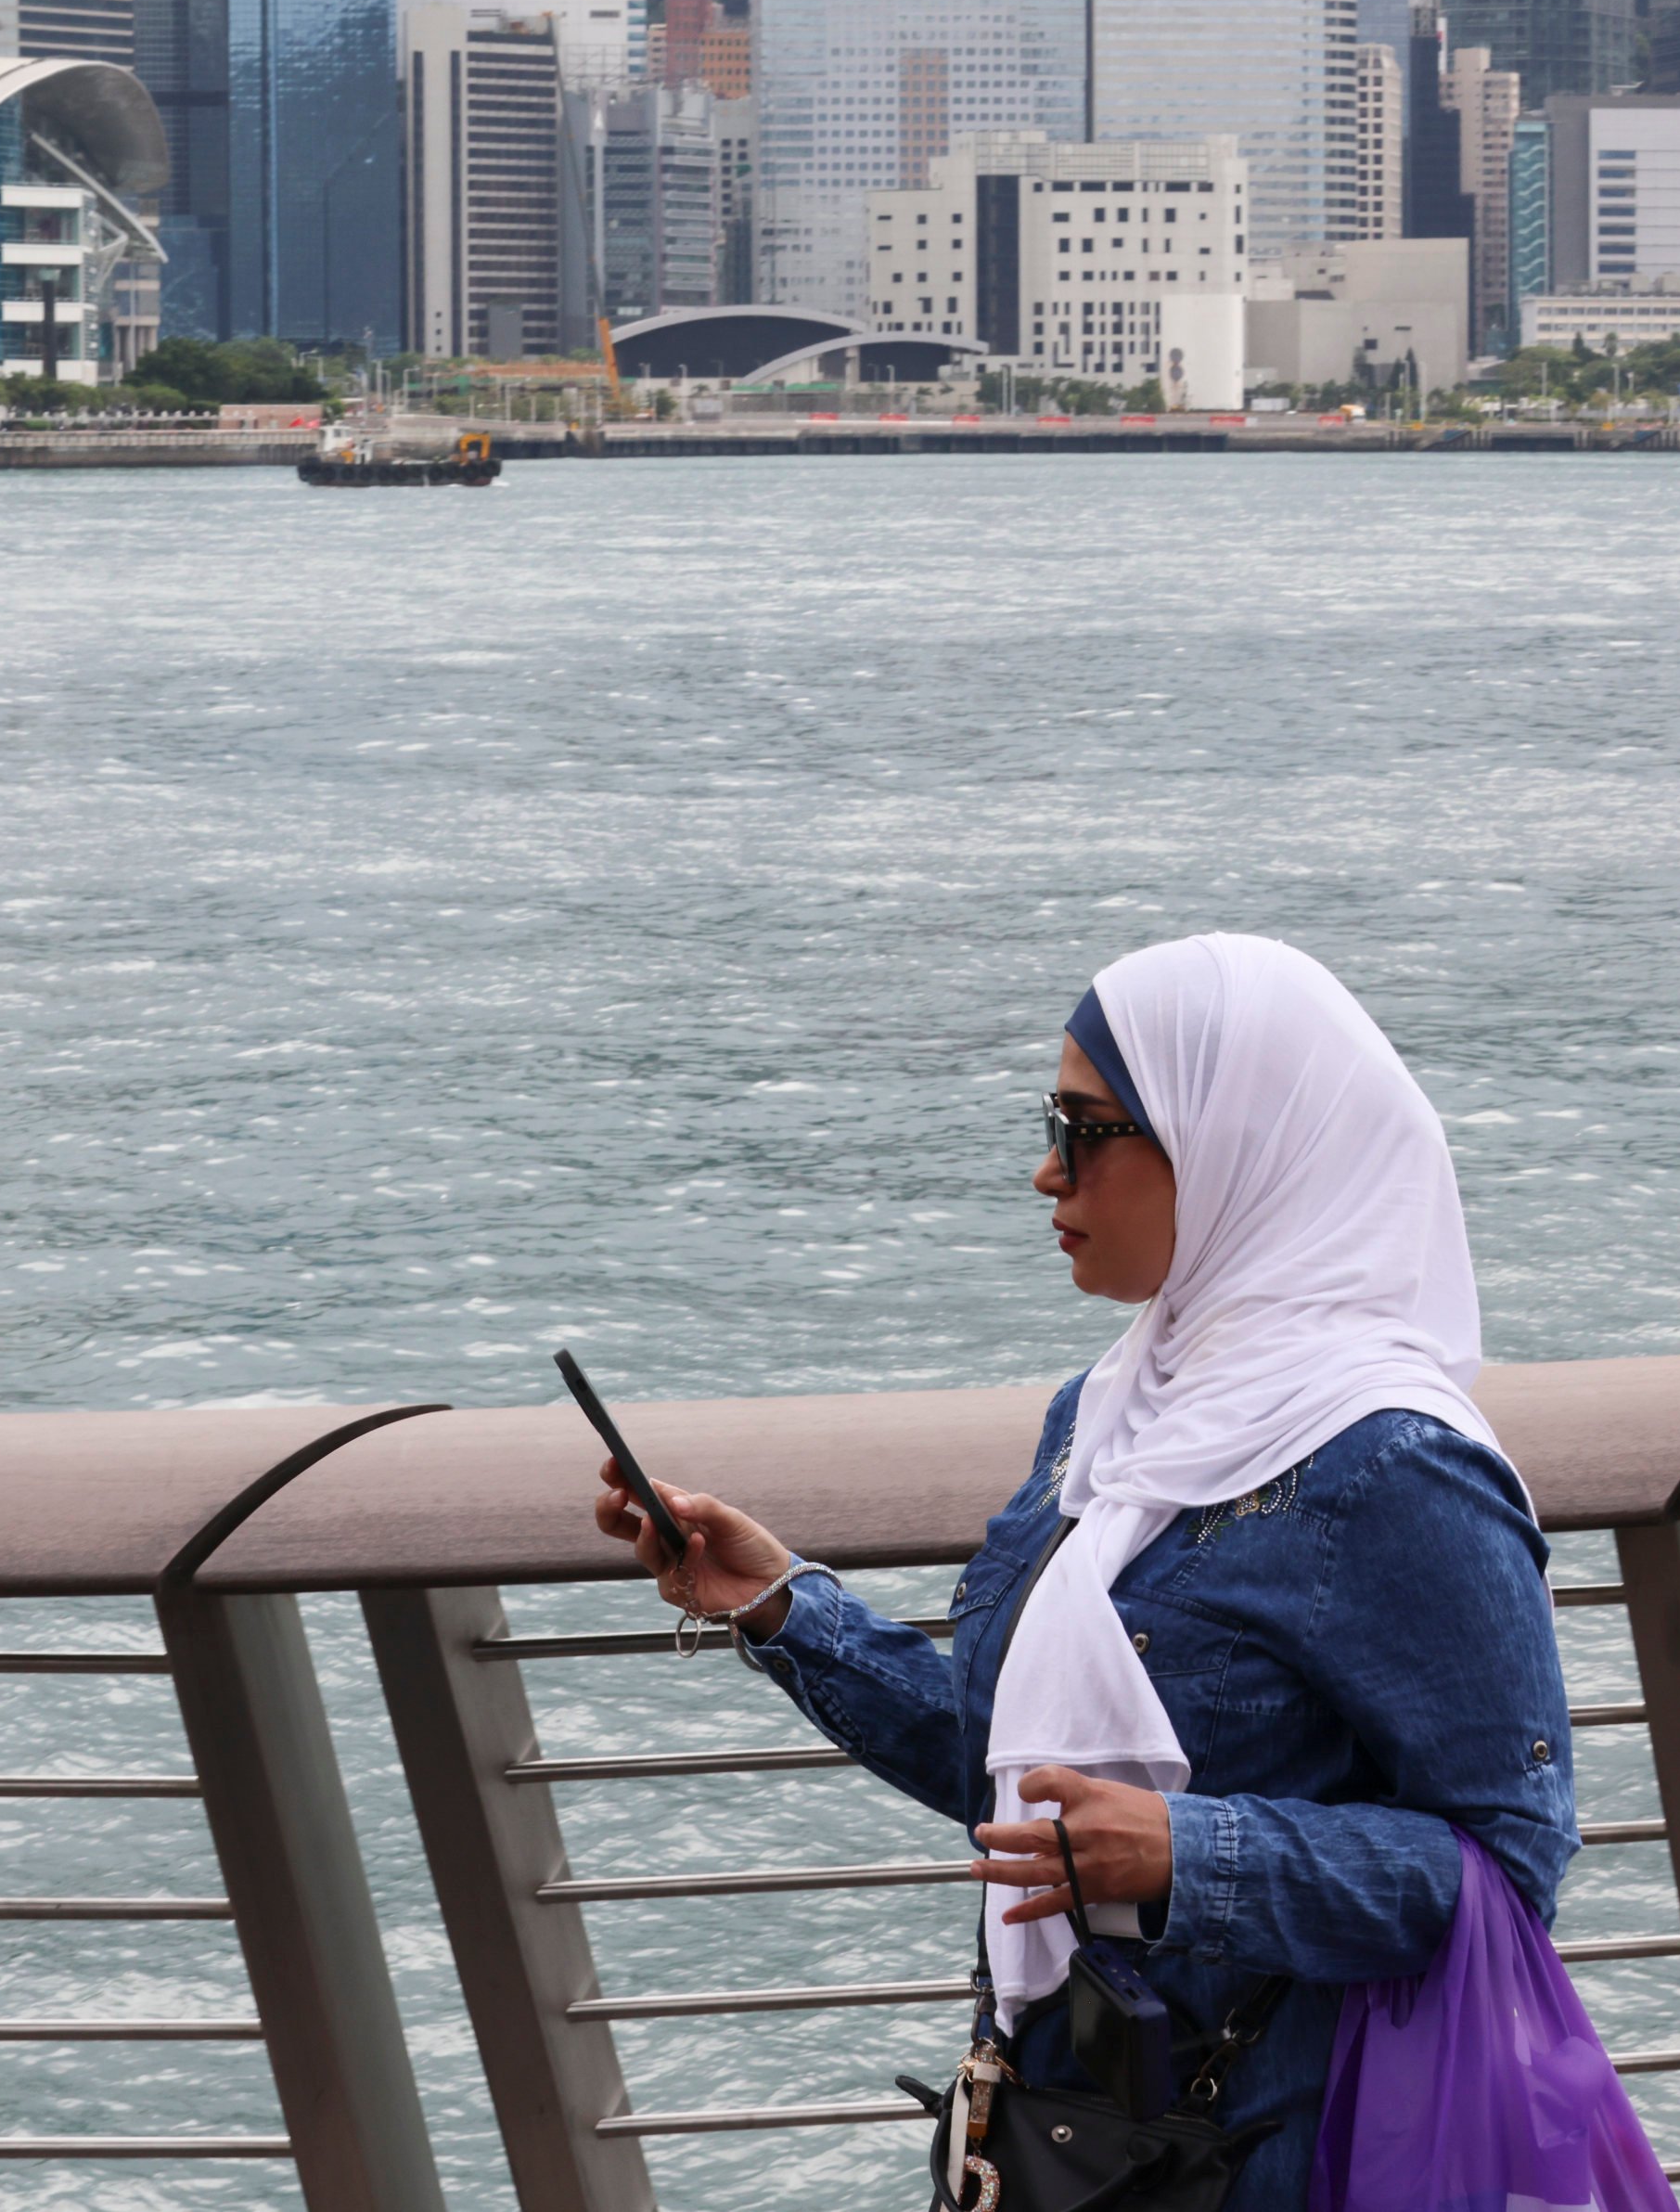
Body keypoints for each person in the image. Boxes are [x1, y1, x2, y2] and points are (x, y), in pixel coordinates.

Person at [594, 934, 1577, 2211]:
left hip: (1269, 2161)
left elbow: (1506, 1872)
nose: (1047, 1169)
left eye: (1091, 1126)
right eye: (1050, 1120)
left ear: (1236, 1140)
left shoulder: (1394, 1466)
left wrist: (1192, 1855)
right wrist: (784, 1609)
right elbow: (1018, 1780)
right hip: (1062, 2148)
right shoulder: (1112, 1416)